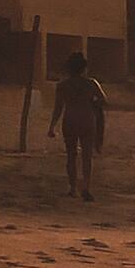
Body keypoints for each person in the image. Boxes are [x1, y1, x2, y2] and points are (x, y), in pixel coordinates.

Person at [48, 51, 107, 201]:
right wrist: (92, 104)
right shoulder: (91, 83)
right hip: (87, 120)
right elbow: (103, 101)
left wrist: (52, 126)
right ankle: (86, 186)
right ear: (84, 68)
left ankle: (73, 187)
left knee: (71, 156)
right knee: (87, 156)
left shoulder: (62, 85)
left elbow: (58, 107)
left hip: (70, 120)